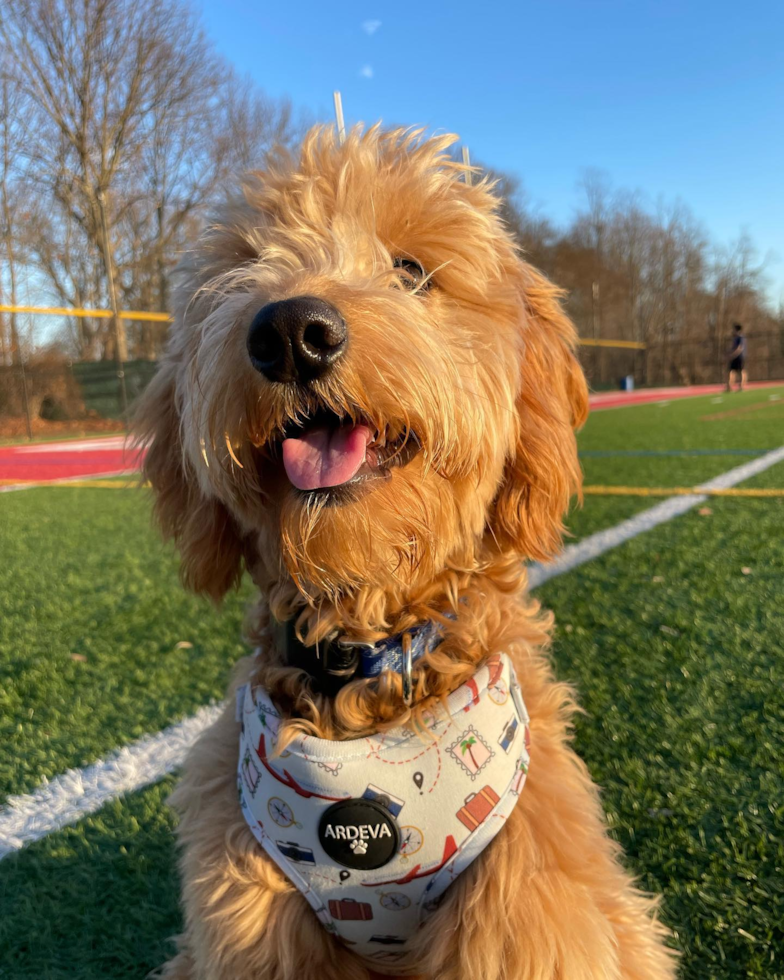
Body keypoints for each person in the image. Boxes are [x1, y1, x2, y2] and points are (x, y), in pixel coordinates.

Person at [727, 323, 747, 392]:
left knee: (741, 370)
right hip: (734, 357)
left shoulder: (741, 337)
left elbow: (740, 348)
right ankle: (729, 386)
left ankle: (741, 386)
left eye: (734, 329)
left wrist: (733, 354)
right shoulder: (735, 338)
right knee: (731, 370)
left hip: (740, 356)